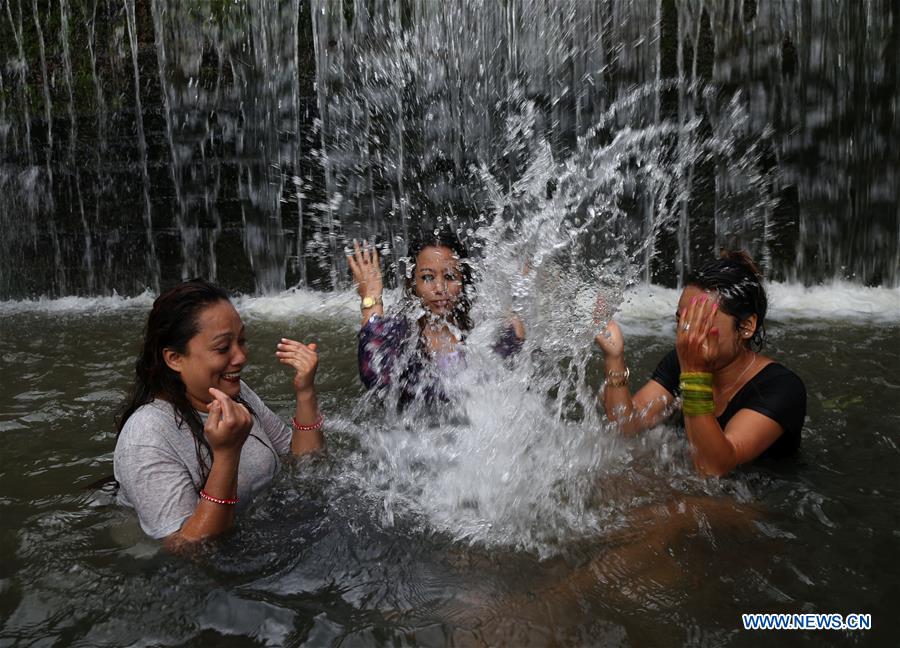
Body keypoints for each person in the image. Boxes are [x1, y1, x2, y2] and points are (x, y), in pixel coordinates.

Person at [113, 279, 324, 548]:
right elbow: (189, 550)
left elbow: (306, 465)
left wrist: (305, 391)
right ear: (174, 358)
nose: (241, 357)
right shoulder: (146, 434)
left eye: (242, 341)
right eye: (223, 348)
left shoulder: (236, 392)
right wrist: (226, 454)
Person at [594, 251, 805, 476]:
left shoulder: (782, 387)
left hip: (754, 498)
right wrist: (614, 357)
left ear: (746, 327)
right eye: (681, 321)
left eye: (700, 323)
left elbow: (713, 467)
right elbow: (627, 427)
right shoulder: (682, 359)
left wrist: (694, 373)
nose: (686, 334)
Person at [347, 228, 524, 409]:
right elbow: (376, 377)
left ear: (463, 282)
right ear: (413, 283)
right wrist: (371, 298)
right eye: (428, 277)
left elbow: (512, 361)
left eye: (449, 276)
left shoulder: (480, 331)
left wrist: (520, 299)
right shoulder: (402, 335)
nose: (440, 288)